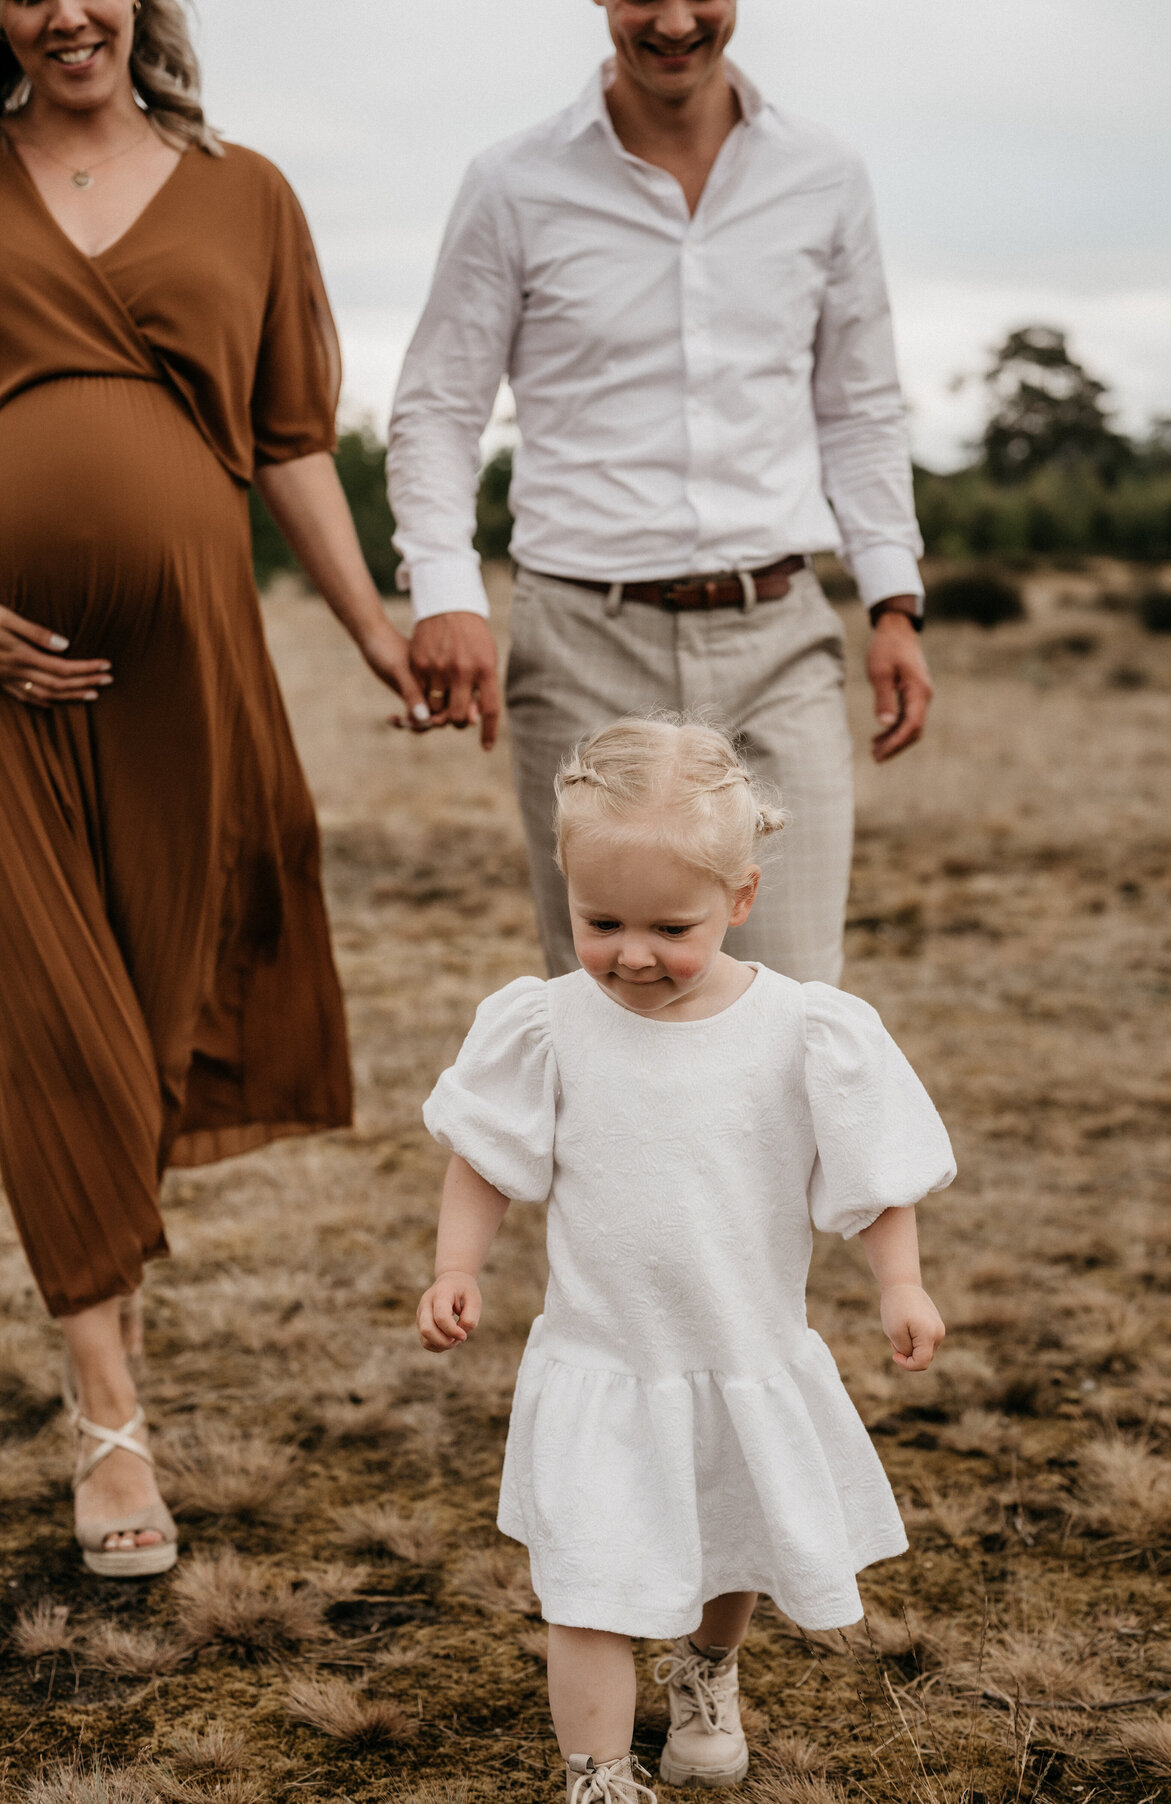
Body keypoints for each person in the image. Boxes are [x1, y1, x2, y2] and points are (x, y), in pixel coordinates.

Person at [0, 0, 431, 1578]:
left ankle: (98, 1295)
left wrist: (379, 629)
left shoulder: (246, 190)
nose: (64, 10)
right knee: (43, 1008)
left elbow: (291, 439)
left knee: (157, 997)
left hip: (190, 673)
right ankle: (106, 1404)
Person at [417, 718, 954, 1802]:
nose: (630, 952)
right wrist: (457, 1264)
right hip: (603, 1362)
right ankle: (599, 1773)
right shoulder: (549, 1025)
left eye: (672, 925)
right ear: (565, 884)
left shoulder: (803, 1031)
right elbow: (485, 1157)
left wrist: (899, 1280)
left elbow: (875, 1171)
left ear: (742, 898)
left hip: (738, 1349)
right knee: (589, 1583)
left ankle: (707, 1668)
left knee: (729, 1536)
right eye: (599, 920)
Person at [388, 0, 935, 988]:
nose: (676, 20)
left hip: (778, 638)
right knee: (614, 999)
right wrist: (445, 592)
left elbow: (858, 409)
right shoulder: (513, 185)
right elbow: (437, 407)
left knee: (794, 1004)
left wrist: (895, 605)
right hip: (584, 642)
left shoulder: (825, 176)